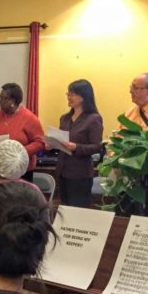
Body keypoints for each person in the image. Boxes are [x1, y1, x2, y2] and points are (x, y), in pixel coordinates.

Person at [0, 83, 45, 183]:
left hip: (21, 173)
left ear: (13, 101)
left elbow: (40, 142)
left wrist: (18, 152)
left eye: (3, 98)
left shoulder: (29, 118)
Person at [58, 79, 104, 208]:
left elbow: (97, 147)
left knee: (77, 212)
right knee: (64, 209)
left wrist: (76, 147)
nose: (69, 97)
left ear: (83, 97)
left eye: (72, 94)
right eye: (68, 94)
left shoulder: (93, 119)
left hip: (80, 173)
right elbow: (62, 139)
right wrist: (53, 143)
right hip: (62, 170)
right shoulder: (64, 118)